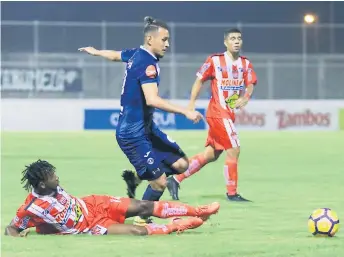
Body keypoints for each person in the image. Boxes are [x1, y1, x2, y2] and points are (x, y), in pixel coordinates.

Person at [79, 16, 204, 226]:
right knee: (159, 182)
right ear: (149, 39)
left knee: (182, 164)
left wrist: (98, 52)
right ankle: (141, 218)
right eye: (164, 39)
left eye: (168, 39)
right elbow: (152, 99)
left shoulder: (137, 54)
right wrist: (185, 112)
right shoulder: (147, 64)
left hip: (146, 130)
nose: (167, 44)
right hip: (132, 134)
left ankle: (136, 179)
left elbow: (115, 55)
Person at [4, 160, 220, 237]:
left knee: (144, 207)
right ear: (41, 184)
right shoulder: (31, 208)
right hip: (90, 227)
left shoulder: (53, 187)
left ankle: (198, 211)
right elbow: (11, 228)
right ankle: (177, 226)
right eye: (52, 176)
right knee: (137, 232)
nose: (57, 177)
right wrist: (18, 236)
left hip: (95, 203)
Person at [166, 28, 258, 202]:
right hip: (217, 113)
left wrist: (246, 97)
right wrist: (191, 105)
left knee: (210, 155)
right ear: (226, 42)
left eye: (239, 38)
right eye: (232, 38)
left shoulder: (245, 64)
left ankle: (176, 178)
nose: (236, 41)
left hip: (228, 114)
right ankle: (232, 193)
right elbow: (199, 80)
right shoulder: (215, 61)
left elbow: (251, 83)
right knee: (234, 149)